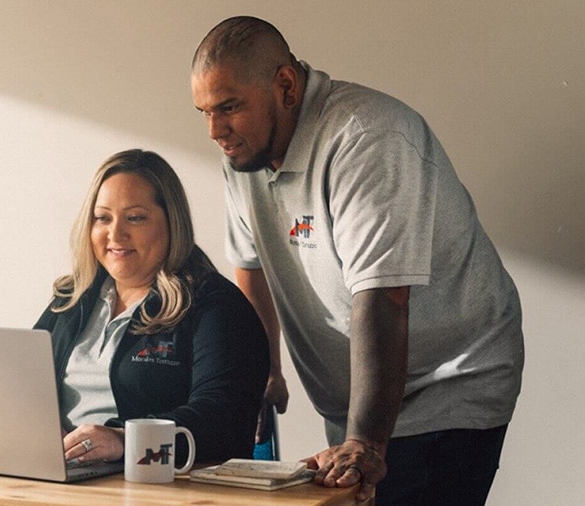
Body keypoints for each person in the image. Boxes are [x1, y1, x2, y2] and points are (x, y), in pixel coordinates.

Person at [190, 16, 524, 505]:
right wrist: (266, 370)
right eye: (203, 111)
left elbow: (383, 297)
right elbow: (252, 267)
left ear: (285, 85)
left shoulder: (367, 138)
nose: (215, 129)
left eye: (229, 107)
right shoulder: (244, 157)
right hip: (359, 407)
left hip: (448, 387)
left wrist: (365, 442)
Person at [34, 148, 270, 467]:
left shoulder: (216, 305)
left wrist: (124, 440)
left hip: (163, 486)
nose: (115, 234)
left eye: (135, 218)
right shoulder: (71, 298)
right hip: (70, 478)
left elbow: (223, 419)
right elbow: (21, 383)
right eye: (102, 218)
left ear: (171, 222)